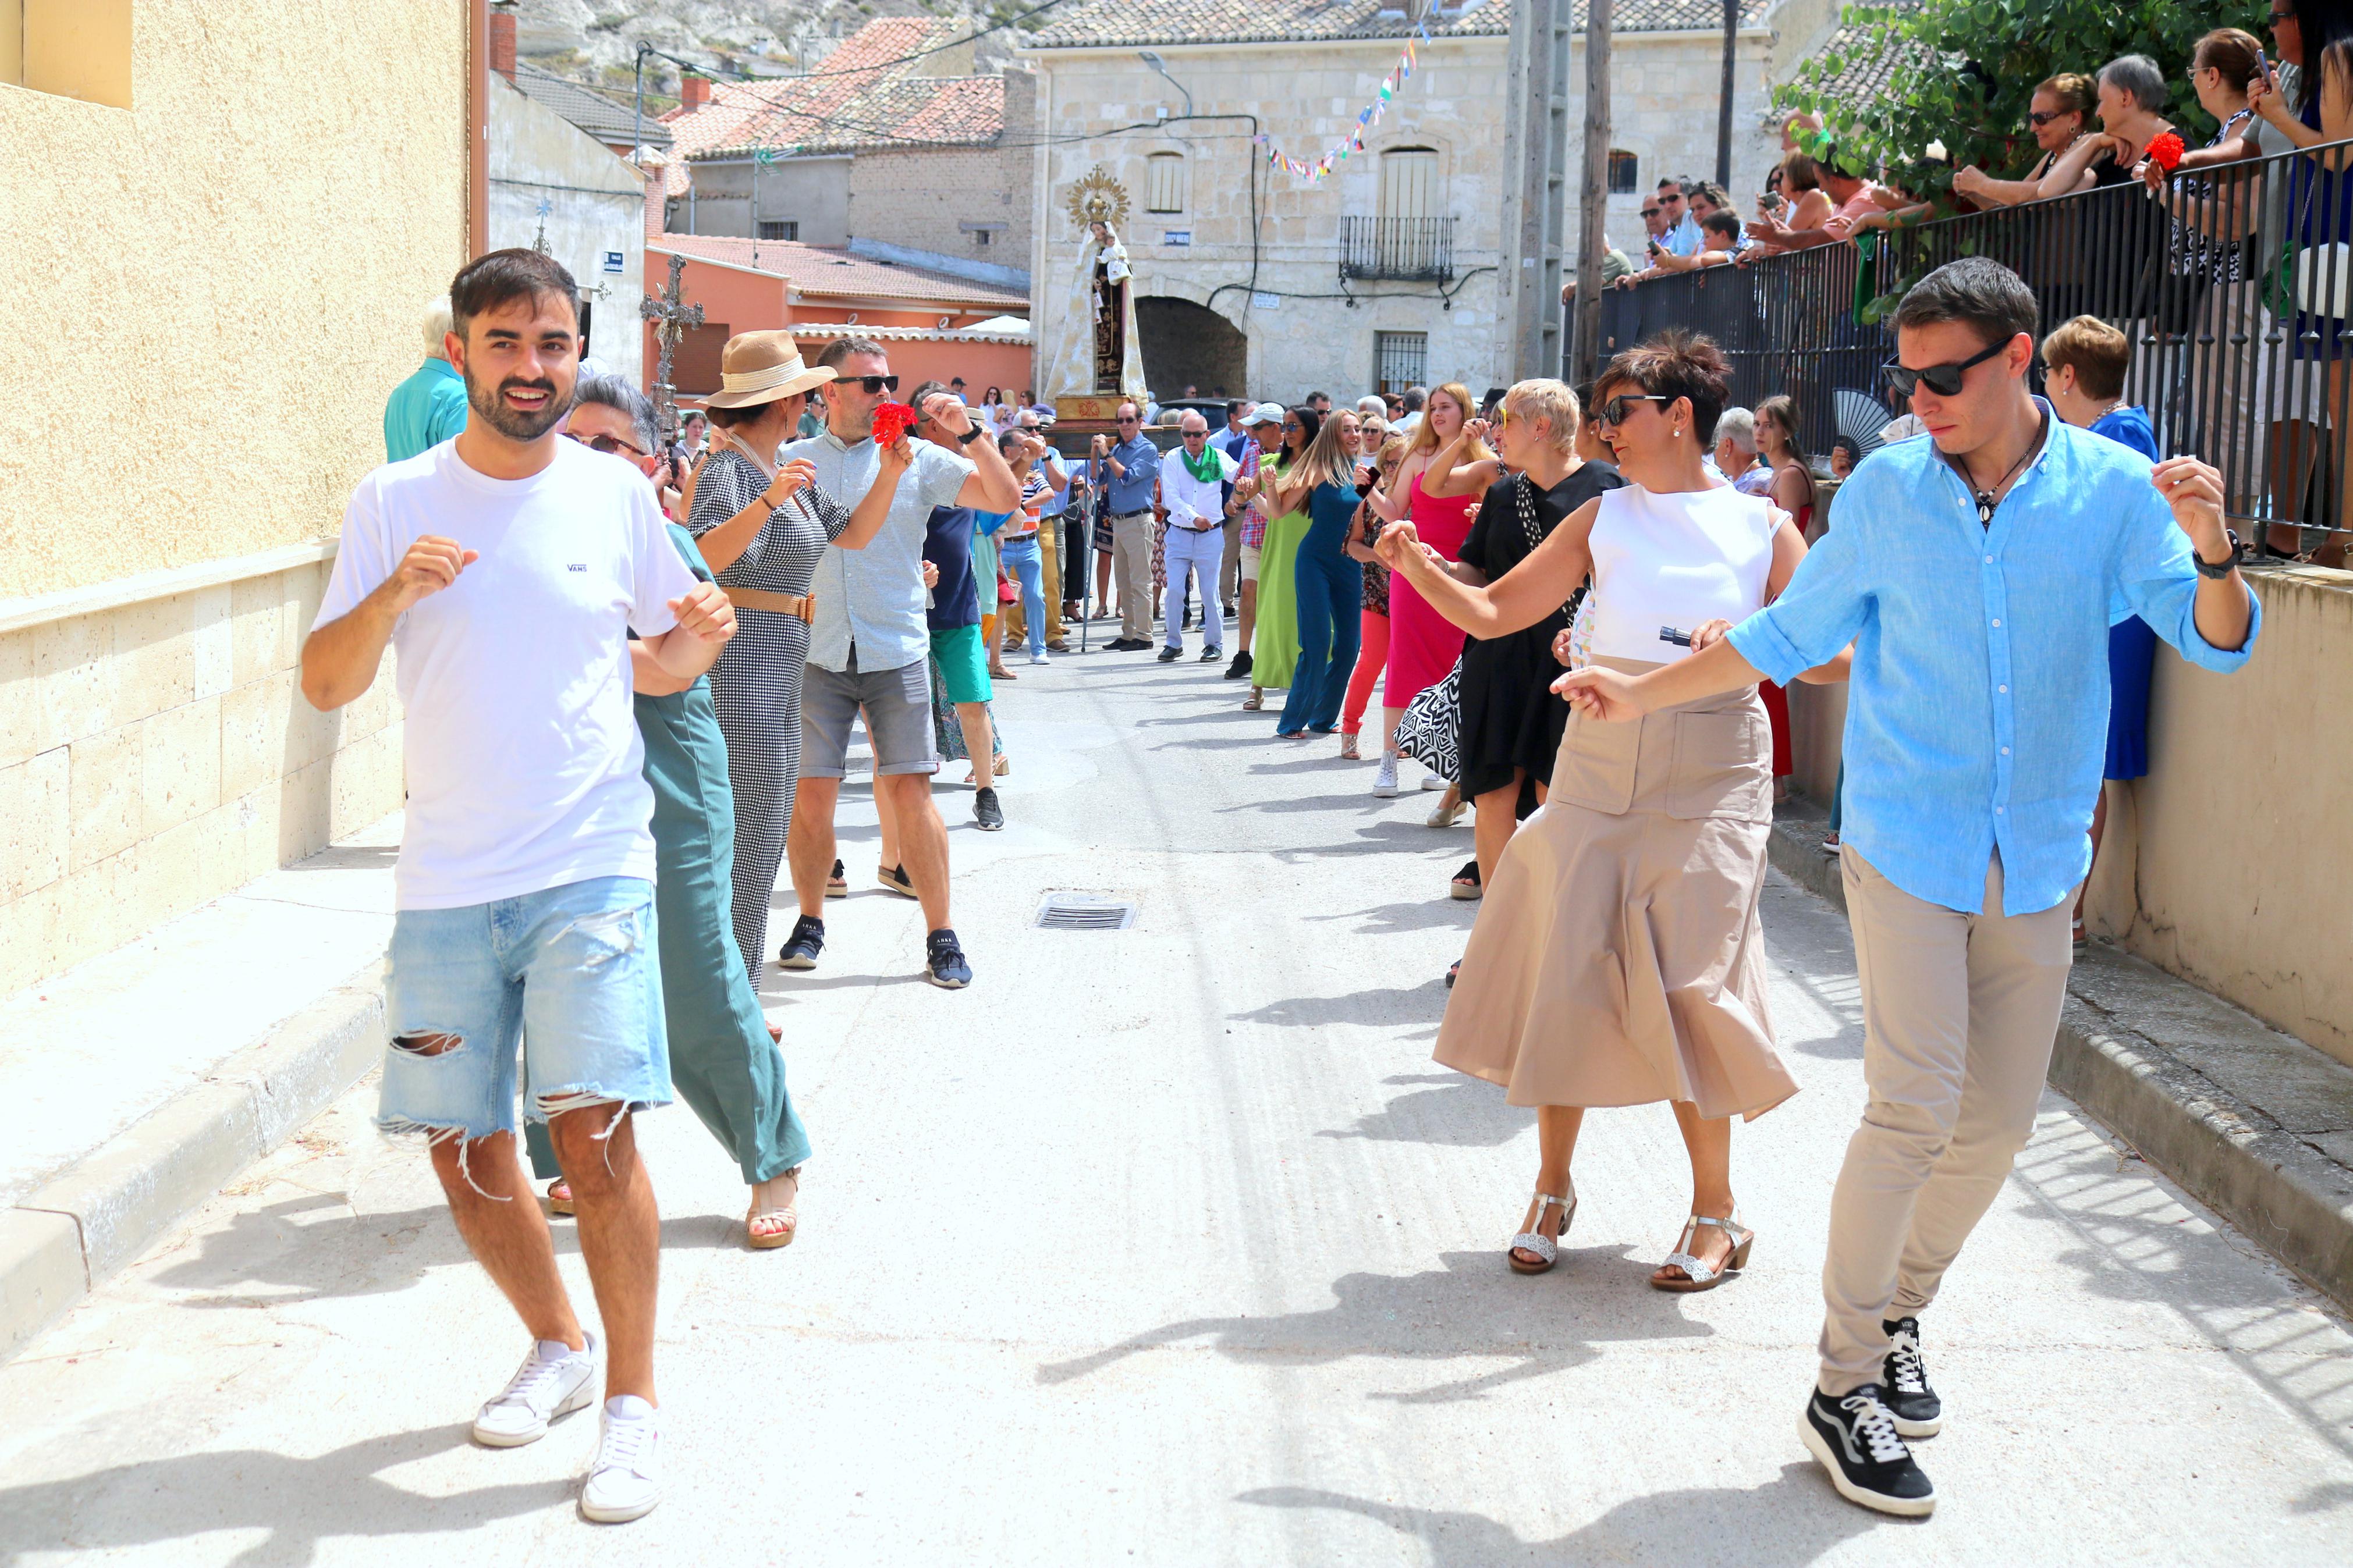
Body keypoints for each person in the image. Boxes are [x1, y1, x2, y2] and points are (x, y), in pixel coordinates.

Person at [1556, 257, 2258, 1517]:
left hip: (2037, 854)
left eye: (1942, 378)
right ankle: (1841, 1384)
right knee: (1913, 1108)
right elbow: (1781, 638)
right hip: (1905, 845)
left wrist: (2211, 549)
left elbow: (2213, 642)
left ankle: (1893, 1315)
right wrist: (1637, 690)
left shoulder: (2109, 493)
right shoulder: (1882, 490)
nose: (1916, 400)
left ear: (2018, 359)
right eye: (1906, 377)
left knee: (1995, 1129)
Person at [301, 249, 740, 1524]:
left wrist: (694, 643)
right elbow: (326, 683)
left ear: (575, 354)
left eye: (552, 344)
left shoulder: (614, 495)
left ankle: (631, 1408)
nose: (531, 367)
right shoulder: (392, 500)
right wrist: (395, 590)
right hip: (444, 878)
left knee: (593, 1137)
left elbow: (651, 663)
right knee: (459, 1145)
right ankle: (557, 1343)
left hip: (590, 865)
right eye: (505, 343)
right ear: (462, 354)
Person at [1380, 345, 1833, 1310]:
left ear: (1678, 413)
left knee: (1691, 979)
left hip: (1713, 761)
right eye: (1597, 413)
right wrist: (1414, 565)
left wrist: (1748, 638)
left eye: (1617, 410)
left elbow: (1829, 655)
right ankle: (1550, 1188)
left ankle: (1716, 1210)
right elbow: (1493, 611)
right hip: (1595, 755)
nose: (1602, 429)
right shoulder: (1601, 515)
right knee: (1571, 963)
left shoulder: (1761, 523)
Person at [520, 374, 815, 1254]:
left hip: (671, 788)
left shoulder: (661, 539)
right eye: (572, 439)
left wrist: (565, 642)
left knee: (695, 978)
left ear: (651, 461)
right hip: (570, 789)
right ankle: (574, 1152)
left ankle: (772, 1156)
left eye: (607, 443)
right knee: (570, 975)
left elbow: (666, 666)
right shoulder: (531, 542)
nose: (585, 456)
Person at [774, 337, 1021, 989]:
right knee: (811, 795)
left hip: (897, 647)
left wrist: (971, 432)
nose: (885, 394)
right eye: (869, 384)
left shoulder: (921, 457)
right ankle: (809, 918)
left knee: (913, 792)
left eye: (889, 382)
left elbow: (1004, 499)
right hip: (818, 647)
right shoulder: (794, 461)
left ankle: (942, 933)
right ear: (829, 391)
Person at [685, 332, 896, 989]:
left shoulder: (777, 468)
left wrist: (892, 470)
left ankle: (734, 991)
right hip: (740, 669)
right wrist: (769, 500)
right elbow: (703, 556)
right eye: (804, 395)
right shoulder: (731, 470)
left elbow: (853, 533)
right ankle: (729, 996)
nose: (810, 405)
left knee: (758, 837)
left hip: (776, 667)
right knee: (745, 840)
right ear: (783, 403)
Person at [2042, 315, 2162, 942]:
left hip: (2113, 619)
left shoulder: (2120, 434)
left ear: (2067, 376)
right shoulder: (2106, 431)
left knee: (2084, 765)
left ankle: (2071, 912)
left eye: (2046, 372)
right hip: (2097, 613)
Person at [2248, 3, 2353, 561]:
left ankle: (2345, 539)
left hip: (2337, 241)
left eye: (2276, 16)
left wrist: (2278, 114)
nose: (2270, 28)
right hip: (2327, 242)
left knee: (2343, 400)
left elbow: (2338, 154)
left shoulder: (2338, 56)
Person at [1366, 382, 1500, 802]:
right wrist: (1366, 490)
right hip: (1414, 569)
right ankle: (1389, 760)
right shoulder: (1417, 455)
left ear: (1464, 411)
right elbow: (1394, 510)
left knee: (1452, 663)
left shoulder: (1483, 461)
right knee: (1403, 659)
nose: (1438, 414)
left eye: (1446, 407)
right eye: (1433, 408)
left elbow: (1495, 521)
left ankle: (1439, 759)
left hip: (1461, 572)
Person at [904, 385, 1007, 830]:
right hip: (902, 607)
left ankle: (986, 791)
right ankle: (906, 806)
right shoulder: (902, 469)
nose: (962, 425)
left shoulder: (967, 469)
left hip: (957, 606)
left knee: (972, 702)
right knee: (901, 713)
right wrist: (911, 569)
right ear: (930, 426)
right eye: (952, 417)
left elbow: (1007, 497)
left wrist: (977, 439)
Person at [1264, 409, 1362, 735]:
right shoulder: (1317, 469)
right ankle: (1292, 721)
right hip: (1314, 562)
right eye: (1346, 429)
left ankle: (1323, 718)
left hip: (1351, 565)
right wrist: (1270, 486)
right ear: (1333, 434)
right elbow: (1278, 511)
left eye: (1358, 429)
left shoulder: (1367, 473)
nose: (1354, 435)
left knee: (1349, 647)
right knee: (1317, 643)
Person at [1755, 396, 1815, 797]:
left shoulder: (1790, 475)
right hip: (1769, 587)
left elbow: (1786, 540)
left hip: (1778, 589)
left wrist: (1766, 594)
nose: (1760, 432)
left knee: (1769, 682)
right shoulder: (1776, 472)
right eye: (1757, 424)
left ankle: (1775, 778)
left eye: (1768, 425)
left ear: (1786, 430)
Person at [1245, 406, 1320, 710]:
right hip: (1279, 546)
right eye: (1284, 426)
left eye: (1293, 426)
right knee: (1272, 614)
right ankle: (1257, 685)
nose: (1286, 432)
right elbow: (1257, 501)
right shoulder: (1271, 463)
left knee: (1306, 619)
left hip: (1314, 546)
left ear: (1309, 429)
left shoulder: (1322, 465)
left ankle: (1307, 688)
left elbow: (1358, 493)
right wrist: (1245, 491)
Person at [1339, 436, 1407, 758]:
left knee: (1407, 665)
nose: (1392, 469)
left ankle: (1403, 736)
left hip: (1417, 594)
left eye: (1399, 463)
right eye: (1388, 463)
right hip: (1378, 593)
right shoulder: (1370, 500)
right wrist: (1378, 557)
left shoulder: (1421, 498)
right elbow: (1351, 545)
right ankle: (1350, 730)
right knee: (1371, 661)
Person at [2032, 55, 2177, 198]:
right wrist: (2095, 142)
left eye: (2102, 100)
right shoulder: (2116, 161)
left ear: (2125, 98)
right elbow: (2047, 192)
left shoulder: (2176, 148)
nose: (2098, 113)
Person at [1158, 411, 1238, 662]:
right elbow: (1171, 498)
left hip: (1210, 535)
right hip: (1180, 533)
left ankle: (1214, 644)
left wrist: (1238, 498)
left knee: (1210, 593)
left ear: (1207, 435)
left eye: (1197, 434)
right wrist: (1194, 518)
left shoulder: (1218, 458)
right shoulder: (1173, 458)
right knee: (1174, 591)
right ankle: (1173, 643)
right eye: (1187, 434)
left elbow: (1242, 478)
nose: (1192, 439)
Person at [1951, 74, 2097, 207]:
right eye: (2030, 118)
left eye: (2041, 118)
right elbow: (2011, 209)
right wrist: (1974, 193)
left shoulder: (2092, 146)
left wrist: (1982, 184)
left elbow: (2035, 194)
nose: (2033, 128)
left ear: (2074, 118)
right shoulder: (2052, 156)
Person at [1093, 401, 1162, 649]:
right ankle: (1129, 633)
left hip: (1138, 520)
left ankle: (1144, 635)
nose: (1124, 425)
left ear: (1140, 422)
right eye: (1120, 420)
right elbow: (1098, 478)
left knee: (1140, 581)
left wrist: (1107, 455)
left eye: (1129, 420)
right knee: (1123, 582)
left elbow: (1127, 476)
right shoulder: (1118, 449)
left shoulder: (1147, 449)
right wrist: (1096, 452)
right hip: (1119, 521)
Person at [1225, 403, 1284, 681]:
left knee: (1276, 599)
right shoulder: (1251, 452)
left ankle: (1276, 654)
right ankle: (1243, 654)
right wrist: (1236, 497)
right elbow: (1239, 490)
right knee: (1248, 589)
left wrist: (1251, 495)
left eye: (1258, 427)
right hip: (1253, 534)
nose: (1253, 433)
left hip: (1282, 537)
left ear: (1276, 428)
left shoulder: (1294, 456)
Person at [383, 297, 470, 461]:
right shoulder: (461, 398)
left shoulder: (399, 394)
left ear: (424, 332)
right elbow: (461, 471)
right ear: (458, 341)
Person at [999, 423, 1056, 666]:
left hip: (1029, 543)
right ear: (1008, 450)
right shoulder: (998, 475)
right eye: (1022, 446)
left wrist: (1022, 505)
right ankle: (991, 649)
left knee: (1035, 596)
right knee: (997, 598)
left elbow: (1049, 493)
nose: (1028, 451)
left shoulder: (1034, 475)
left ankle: (1038, 649)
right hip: (1003, 545)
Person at [1715, 406, 1773, 495]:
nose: (1714, 449)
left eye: (1716, 442)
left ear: (1728, 445)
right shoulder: (1735, 480)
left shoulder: (1760, 483)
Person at [1656, 178, 1703, 255]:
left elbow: (1686, 259)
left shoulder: (1691, 219)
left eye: (1673, 198)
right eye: (1662, 201)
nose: (1668, 206)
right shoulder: (1680, 226)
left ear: (1688, 198)